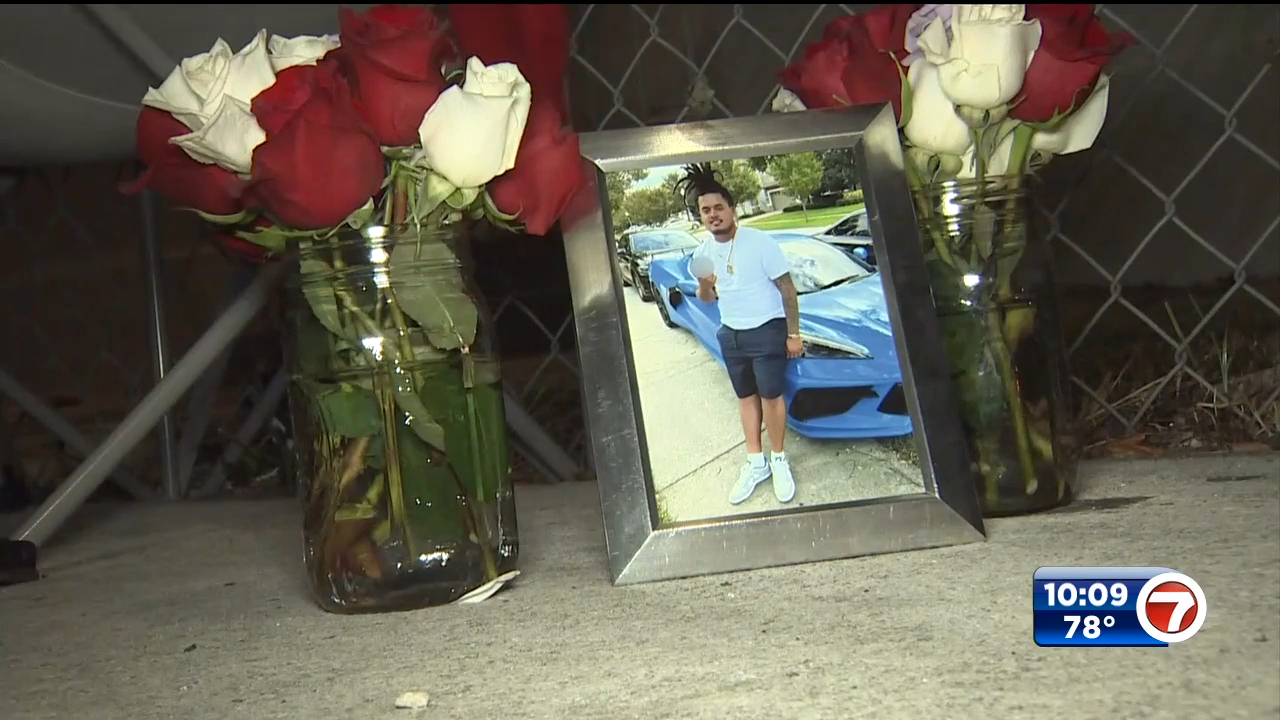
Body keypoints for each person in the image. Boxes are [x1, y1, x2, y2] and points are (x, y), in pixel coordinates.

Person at [675, 164, 803, 505]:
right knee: (745, 397)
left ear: (731, 209)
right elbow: (705, 299)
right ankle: (755, 462)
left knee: (771, 397)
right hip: (730, 335)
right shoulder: (702, 254)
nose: (713, 215)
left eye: (719, 207)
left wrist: (793, 334)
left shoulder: (760, 242)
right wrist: (704, 286)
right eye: (706, 210)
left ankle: (778, 459)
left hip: (767, 330)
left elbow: (788, 290)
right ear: (700, 216)